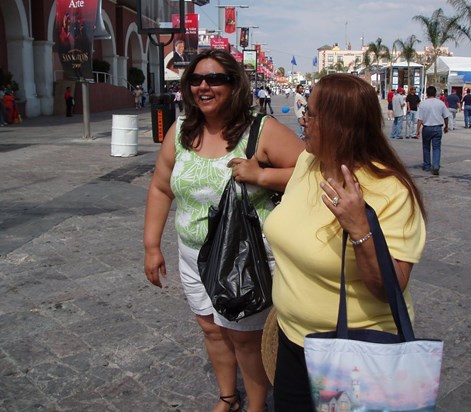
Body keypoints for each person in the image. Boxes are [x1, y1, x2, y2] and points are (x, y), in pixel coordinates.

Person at [143, 49, 304, 412]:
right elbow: (160, 187)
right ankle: (228, 397)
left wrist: (262, 175)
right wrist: (152, 245)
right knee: (212, 331)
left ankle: (257, 406)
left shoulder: (260, 129)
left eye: (215, 79)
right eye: (197, 79)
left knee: (244, 339)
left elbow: (310, 171)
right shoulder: (181, 131)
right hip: (193, 256)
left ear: (234, 85)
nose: (204, 86)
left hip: (243, 256)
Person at [263, 74, 426, 411]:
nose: (301, 120)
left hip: (356, 353)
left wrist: (359, 229)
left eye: (310, 115)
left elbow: (390, 288)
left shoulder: (390, 191)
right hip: (292, 340)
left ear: (340, 125)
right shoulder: (309, 163)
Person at [416, 86, 450, 176]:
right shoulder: (441, 103)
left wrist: (417, 130)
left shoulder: (423, 104)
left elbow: (419, 119)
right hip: (437, 128)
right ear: (435, 93)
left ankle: (427, 165)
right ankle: (436, 166)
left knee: (426, 147)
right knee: (436, 148)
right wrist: (446, 126)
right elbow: (446, 116)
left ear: (427, 93)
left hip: (426, 128)